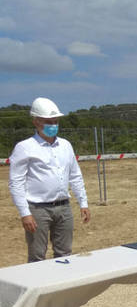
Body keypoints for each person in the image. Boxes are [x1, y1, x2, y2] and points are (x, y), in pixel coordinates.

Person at [8, 97, 91, 262]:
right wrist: (25, 213)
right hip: (38, 210)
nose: (53, 125)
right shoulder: (25, 148)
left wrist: (83, 202)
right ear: (36, 122)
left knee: (65, 253)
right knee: (37, 256)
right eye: (48, 121)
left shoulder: (66, 145)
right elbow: (16, 183)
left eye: (55, 121)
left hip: (64, 207)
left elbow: (75, 175)